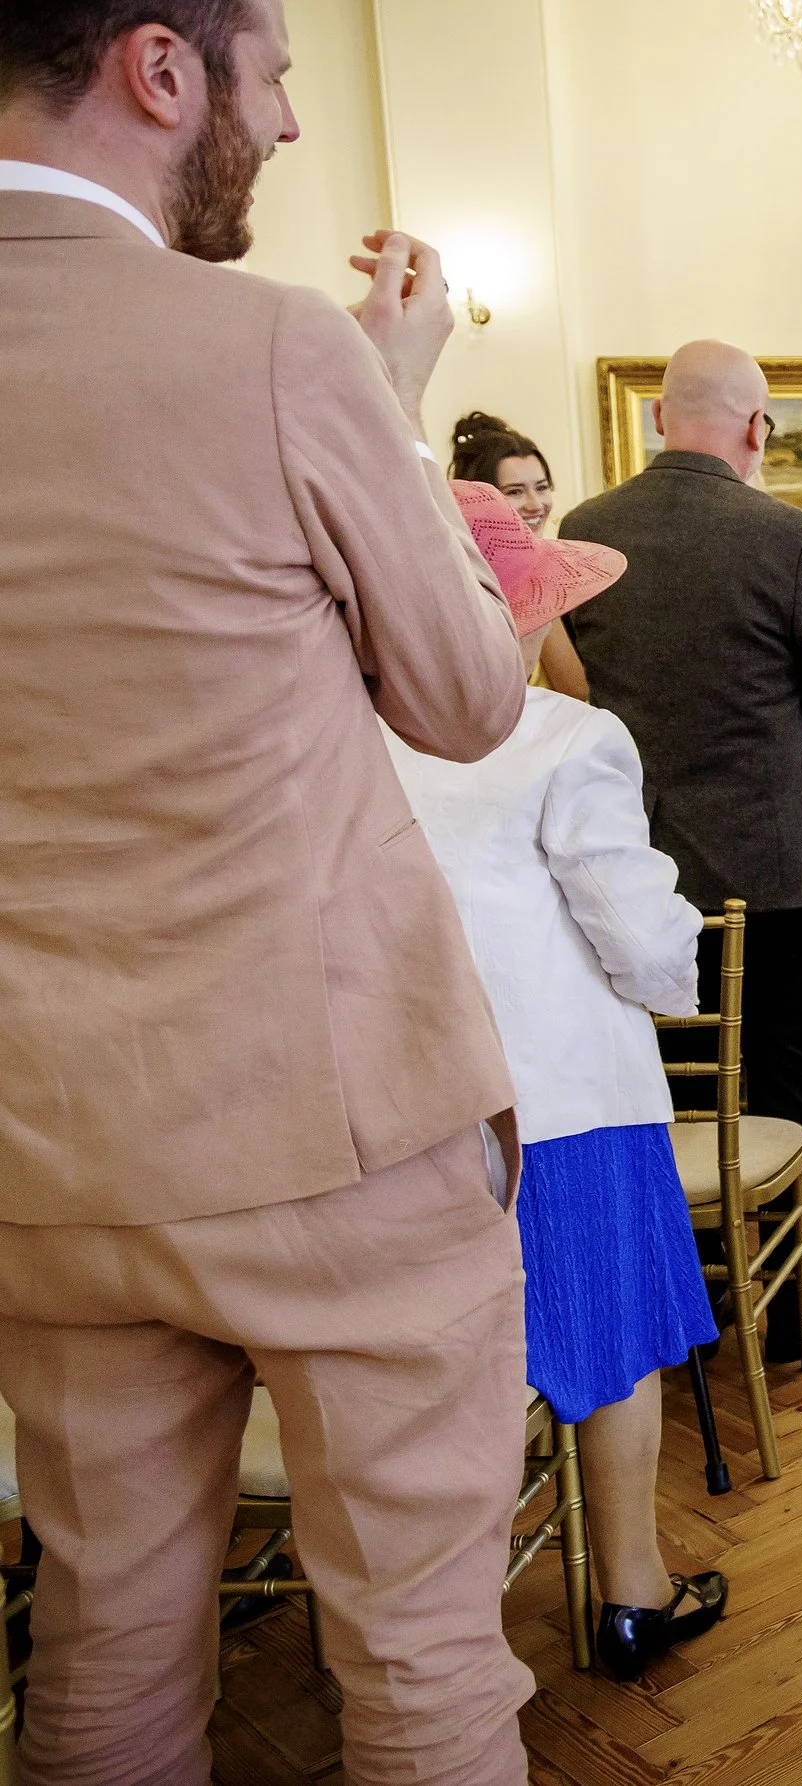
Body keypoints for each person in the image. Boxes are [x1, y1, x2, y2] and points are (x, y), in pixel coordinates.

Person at [0, 3, 540, 1779]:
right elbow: (466, 702)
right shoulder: (275, 348)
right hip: (336, 1131)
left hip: (47, 1152)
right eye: (276, 75)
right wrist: (387, 405)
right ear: (164, 72)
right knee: (419, 1659)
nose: (292, 126)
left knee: (103, 1645)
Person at [387, 483, 730, 1685]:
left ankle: (437, 1636)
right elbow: (639, 941)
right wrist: (684, 955)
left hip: (403, 1112)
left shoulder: (349, 740)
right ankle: (630, 1589)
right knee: (609, 1341)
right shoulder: (567, 736)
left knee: (439, 1373)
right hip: (566, 1100)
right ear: (526, 615)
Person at [563, 339, 802, 1362]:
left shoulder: (586, 531)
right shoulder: (787, 537)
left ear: (659, 419)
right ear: (756, 428)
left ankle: (676, 1299)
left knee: (665, 1080)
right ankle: (792, 1297)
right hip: (779, 869)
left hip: (634, 866)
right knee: (787, 1075)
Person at [450, 408, 590, 699]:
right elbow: (576, 689)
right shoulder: (522, 582)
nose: (535, 504)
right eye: (514, 492)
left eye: (541, 488)